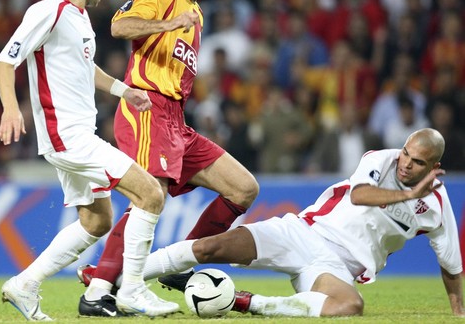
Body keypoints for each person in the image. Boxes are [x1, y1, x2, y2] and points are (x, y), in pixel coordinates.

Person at [0, 0, 179, 320]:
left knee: (97, 221)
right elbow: (5, 60)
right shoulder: (49, 10)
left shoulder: (78, 17)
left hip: (79, 134)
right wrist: (11, 109)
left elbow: (85, 68)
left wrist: (123, 90)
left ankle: (24, 284)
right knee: (150, 194)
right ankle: (131, 290)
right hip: (68, 135)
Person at [77, 0, 259, 316]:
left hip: (176, 119)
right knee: (148, 196)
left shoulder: (197, 12)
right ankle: (98, 288)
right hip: (147, 107)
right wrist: (171, 21)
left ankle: (177, 264)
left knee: (243, 188)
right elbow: (119, 25)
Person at [138, 128, 465, 317]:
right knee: (210, 247)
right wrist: (406, 196)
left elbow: (450, 263)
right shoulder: (382, 159)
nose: (405, 163)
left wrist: (457, 310)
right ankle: (122, 279)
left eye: (417, 161)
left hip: (336, 268)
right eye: (406, 152)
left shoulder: (435, 205)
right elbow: (360, 195)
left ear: (434, 165)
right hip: (301, 233)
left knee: (350, 306)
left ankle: (248, 303)